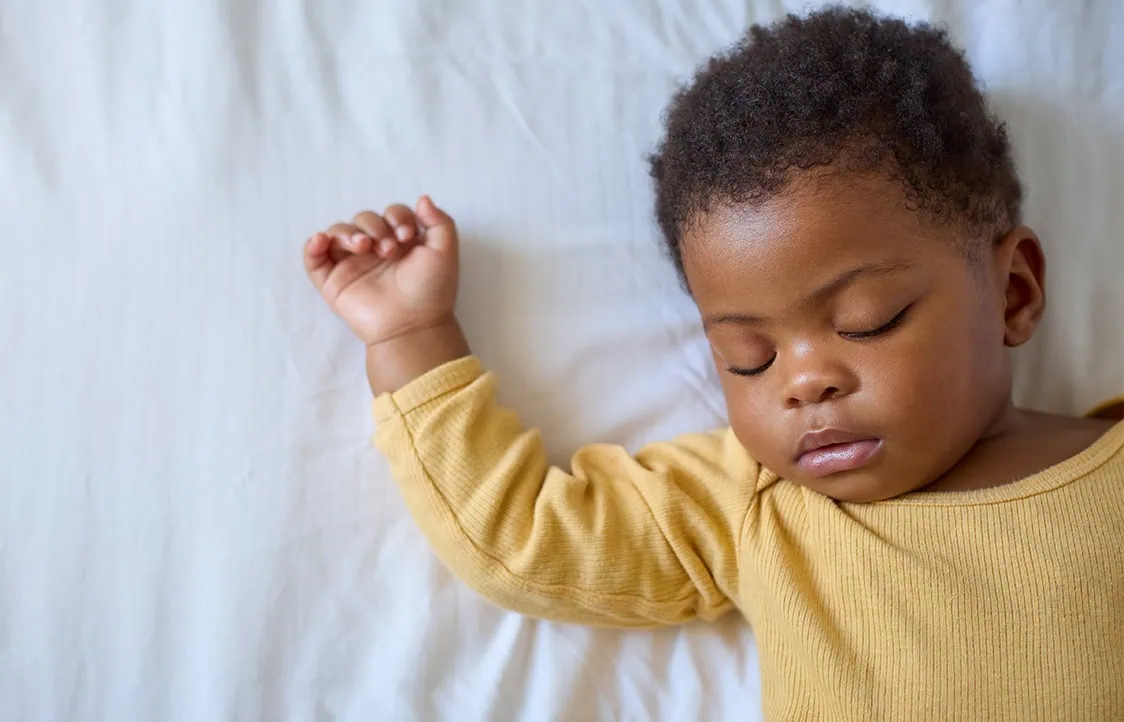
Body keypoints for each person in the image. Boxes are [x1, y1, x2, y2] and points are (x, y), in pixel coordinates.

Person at [302, 5, 1124, 719]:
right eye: (749, 357)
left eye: (868, 322)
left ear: (1013, 293)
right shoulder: (757, 506)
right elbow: (529, 544)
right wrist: (410, 337)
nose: (805, 381)